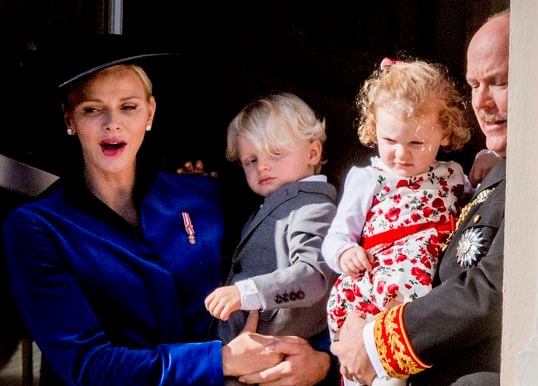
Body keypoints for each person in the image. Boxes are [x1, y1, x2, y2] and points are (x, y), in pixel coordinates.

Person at [1, 35, 325, 386]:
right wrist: (221, 360)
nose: (113, 123)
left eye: (129, 107)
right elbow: (86, 366)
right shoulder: (36, 227)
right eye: (92, 109)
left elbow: (289, 270)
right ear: (70, 118)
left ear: (150, 113)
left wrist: (319, 360)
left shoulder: (202, 193)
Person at [330, 10, 508, 386]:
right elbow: (336, 242)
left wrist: (376, 344)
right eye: (474, 85)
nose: (483, 102)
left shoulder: (511, 175)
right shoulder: (370, 179)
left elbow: (494, 290)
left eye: (501, 82)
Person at [322, 58, 471, 386]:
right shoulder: (368, 179)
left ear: (444, 132)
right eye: (390, 141)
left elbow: (476, 213)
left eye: (416, 143)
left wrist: (489, 159)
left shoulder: (454, 176)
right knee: (371, 374)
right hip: (375, 292)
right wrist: (345, 253)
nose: (401, 154)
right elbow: (334, 238)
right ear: (374, 128)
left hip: (418, 305)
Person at [204, 92, 339, 385]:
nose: (262, 166)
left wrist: (246, 292)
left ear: (313, 153)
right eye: (251, 160)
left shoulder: (313, 208)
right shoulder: (277, 204)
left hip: (273, 362)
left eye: (275, 153)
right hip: (242, 355)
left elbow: (313, 277)